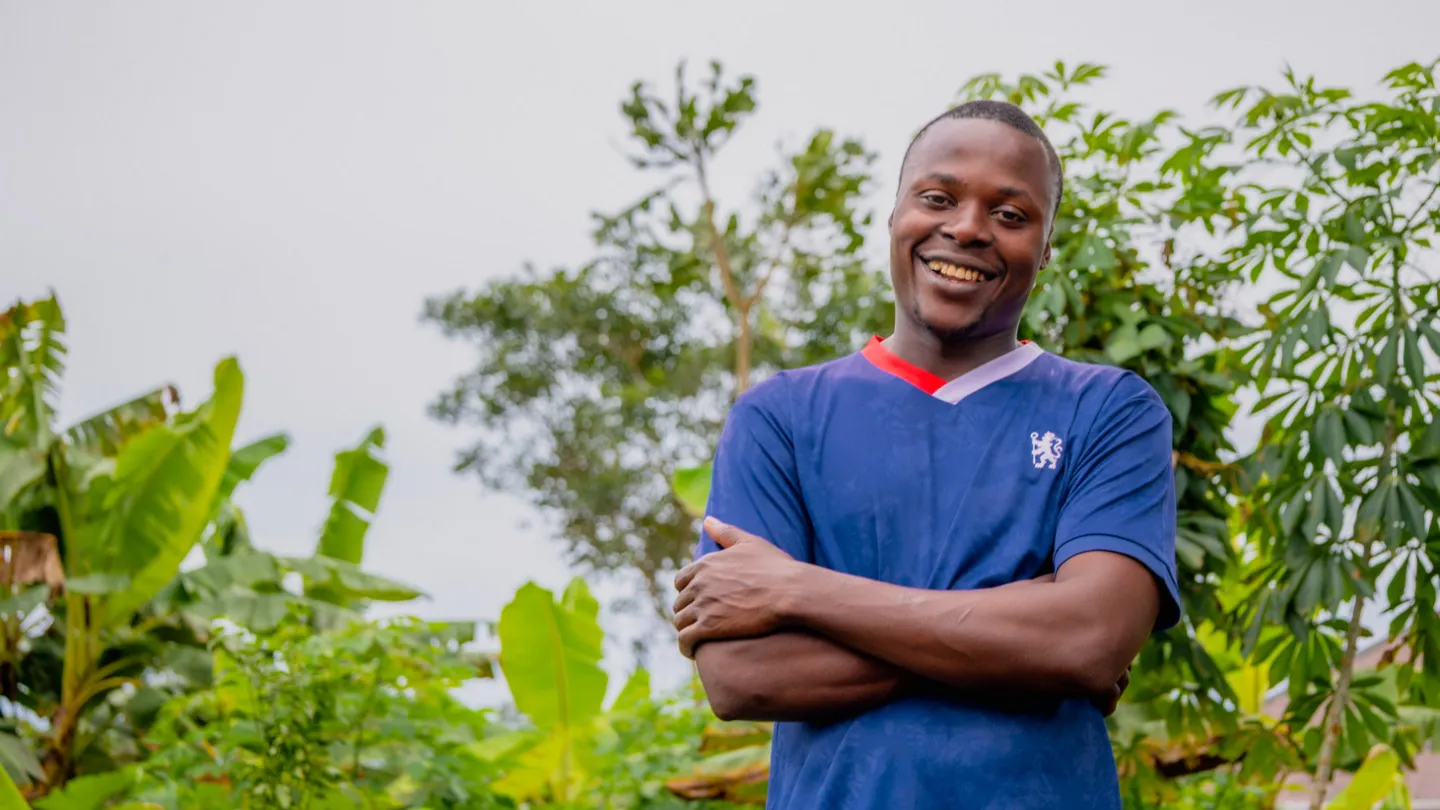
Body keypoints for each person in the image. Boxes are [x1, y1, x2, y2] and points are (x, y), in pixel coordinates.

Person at [671, 100, 1180, 810]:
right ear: (895, 215)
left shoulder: (1108, 411)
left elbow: (1089, 642)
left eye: (1011, 214)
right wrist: (1021, 636)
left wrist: (795, 591)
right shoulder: (779, 418)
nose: (968, 228)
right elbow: (743, 677)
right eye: (939, 198)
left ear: (1047, 245)